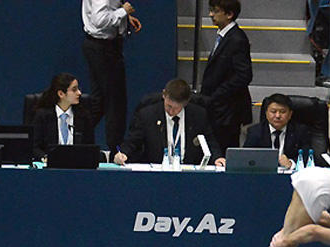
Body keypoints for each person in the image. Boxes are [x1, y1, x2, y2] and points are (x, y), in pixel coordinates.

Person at [113, 79, 226, 166]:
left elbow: (210, 141)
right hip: (157, 173)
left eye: (176, 108)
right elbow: (133, 141)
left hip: (187, 173)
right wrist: (123, 153)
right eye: (168, 106)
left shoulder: (198, 115)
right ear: (164, 95)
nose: (171, 111)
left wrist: (217, 158)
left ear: (185, 103)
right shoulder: (147, 115)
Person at [82, 0, 141, 152]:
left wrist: (125, 18)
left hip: (103, 47)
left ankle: (76, 135)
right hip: (104, 49)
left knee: (100, 102)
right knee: (115, 104)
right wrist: (123, 12)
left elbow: (107, 10)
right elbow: (99, 20)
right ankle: (116, 151)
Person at [199, 0, 252, 153]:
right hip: (218, 109)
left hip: (227, 111)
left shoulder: (237, 39)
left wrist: (216, 96)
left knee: (224, 152)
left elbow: (244, 75)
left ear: (229, 14)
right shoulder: (225, 36)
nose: (210, 14)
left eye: (215, 11)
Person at [31, 73, 96, 160]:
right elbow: (34, 147)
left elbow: (90, 148)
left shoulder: (84, 116)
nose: (79, 93)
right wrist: (45, 158)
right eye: (74, 90)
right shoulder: (43, 116)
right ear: (61, 94)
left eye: (78, 89)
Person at [243, 94, 316, 169]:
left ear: (290, 114)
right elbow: (245, 157)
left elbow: (307, 156)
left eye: (282, 112)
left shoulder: (301, 131)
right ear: (266, 113)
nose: (277, 116)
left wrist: (291, 163)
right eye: (273, 111)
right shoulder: (255, 131)